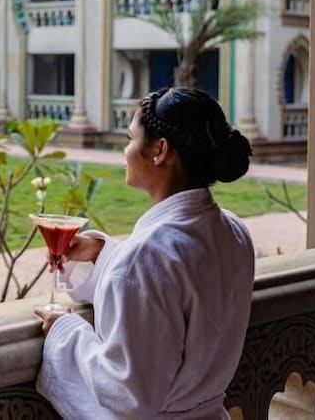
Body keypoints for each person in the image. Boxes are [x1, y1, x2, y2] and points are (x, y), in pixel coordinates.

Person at [36, 87, 255, 419]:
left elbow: (127, 393)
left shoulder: (145, 257)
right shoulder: (234, 231)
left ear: (160, 150)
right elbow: (170, 286)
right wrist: (101, 254)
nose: (124, 151)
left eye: (130, 138)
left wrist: (65, 332)